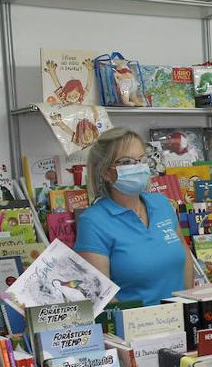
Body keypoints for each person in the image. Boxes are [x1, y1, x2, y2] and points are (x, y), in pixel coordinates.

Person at [76, 128, 194, 304]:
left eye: (142, 160)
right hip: (136, 327)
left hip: (181, 320)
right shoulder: (93, 221)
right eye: (126, 162)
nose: (138, 167)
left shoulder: (161, 204)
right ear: (105, 172)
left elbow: (185, 258)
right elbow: (102, 297)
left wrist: (188, 308)